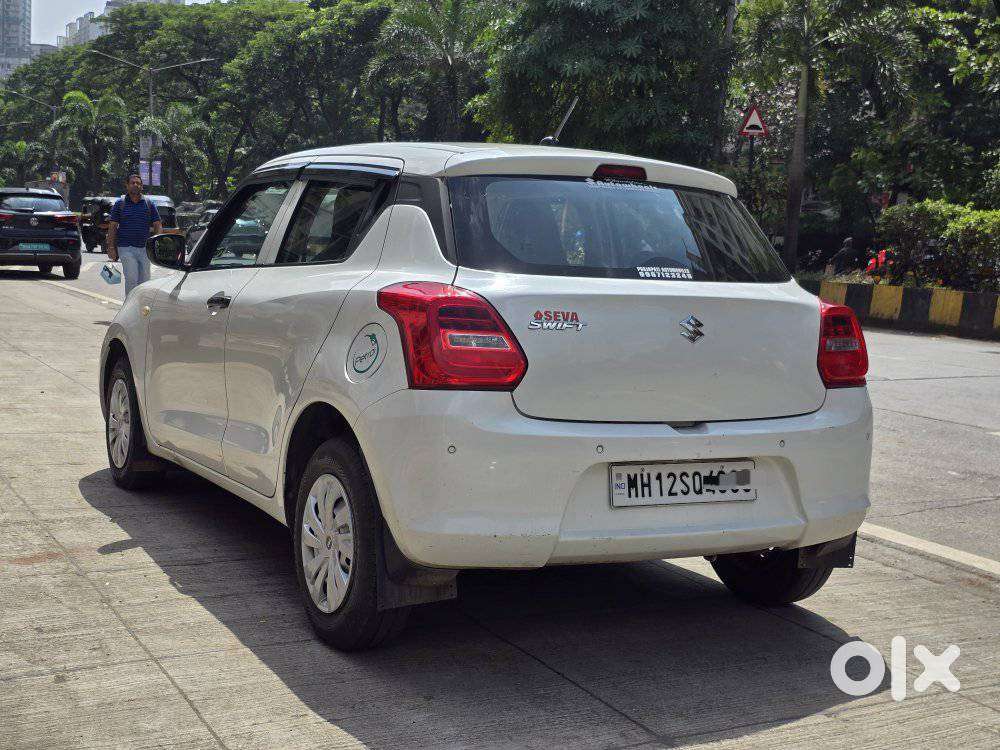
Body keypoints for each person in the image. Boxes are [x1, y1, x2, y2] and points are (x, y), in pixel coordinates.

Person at [106, 174, 162, 296]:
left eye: (138, 183)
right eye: (133, 183)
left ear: (141, 186)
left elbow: (157, 224)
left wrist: (157, 243)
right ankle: (130, 309)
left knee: (144, 282)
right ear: (127, 186)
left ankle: (141, 310)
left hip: (145, 249)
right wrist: (110, 247)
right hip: (126, 248)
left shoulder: (149, 203)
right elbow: (113, 226)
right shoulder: (120, 204)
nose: (136, 185)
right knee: (131, 279)